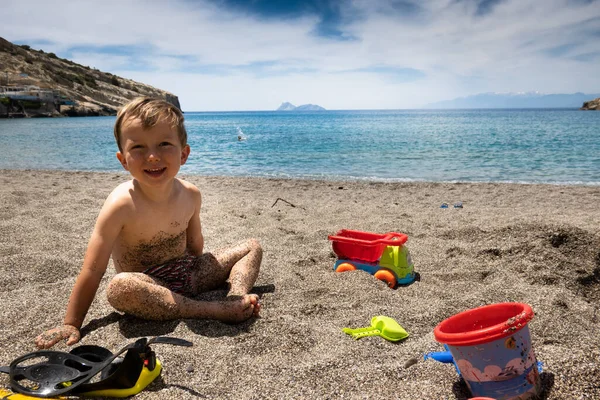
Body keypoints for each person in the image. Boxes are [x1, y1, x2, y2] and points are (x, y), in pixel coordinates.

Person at [35, 97, 262, 349]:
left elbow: (195, 245)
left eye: (164, 144)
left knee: (252, 246)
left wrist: (204, 273)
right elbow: (93, 269)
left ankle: (237, 296)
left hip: (189, 273)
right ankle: (208, 309)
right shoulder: (120, 205)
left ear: (183, 153)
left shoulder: (191, 194)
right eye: (139, 148)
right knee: (119, 288)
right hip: (149, 286)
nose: (152, 156)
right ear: (123, 160)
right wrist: (72, 323)